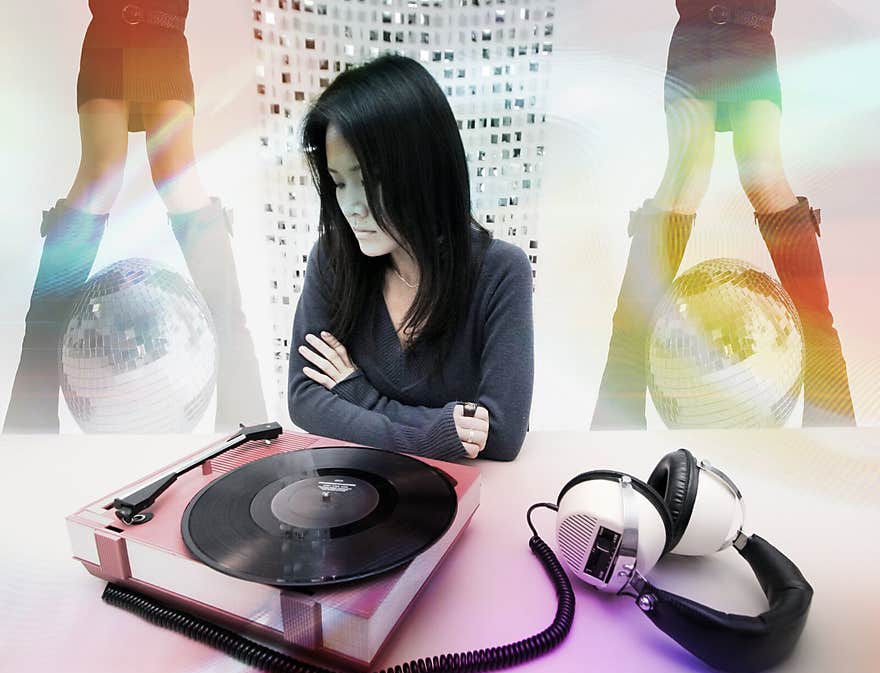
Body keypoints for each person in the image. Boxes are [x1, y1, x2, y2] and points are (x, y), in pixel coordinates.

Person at [4, 0, 266, 433]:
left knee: (179, 184)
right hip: (110, 30)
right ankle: (29, 413)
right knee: (100, 179)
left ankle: (246, 409)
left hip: (165, 33)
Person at [591, 0, 855, 429]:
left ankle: (834, 413)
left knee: (764, 176)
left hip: (752, 33)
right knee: (684, 178)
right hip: (693, 37)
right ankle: (616, 411)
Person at [288, 55, 534, 461]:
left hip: (467, 497)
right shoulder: (332, 259)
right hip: (356, 488)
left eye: (366, 181)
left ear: (423, 171)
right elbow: (304, 398)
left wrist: (356, 393)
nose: (350, 206)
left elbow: (502, 437)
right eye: (338, 183)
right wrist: (430, 437)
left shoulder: (500, 272)